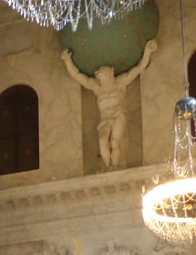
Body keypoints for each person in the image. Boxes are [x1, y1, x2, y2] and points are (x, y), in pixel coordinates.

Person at [61, 40, 157, 168]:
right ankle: (107, 168)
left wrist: (147, 51)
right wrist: (67, 60)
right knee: (102, 141)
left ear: (111, 73)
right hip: (105, 119)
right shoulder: (97, 88)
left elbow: (139, 68)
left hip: (118, 115)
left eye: (104, 74)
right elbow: (78, 76)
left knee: (114, 142)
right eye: (100, 76)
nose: (102, 77)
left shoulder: (120, 82)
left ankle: (114, 166)